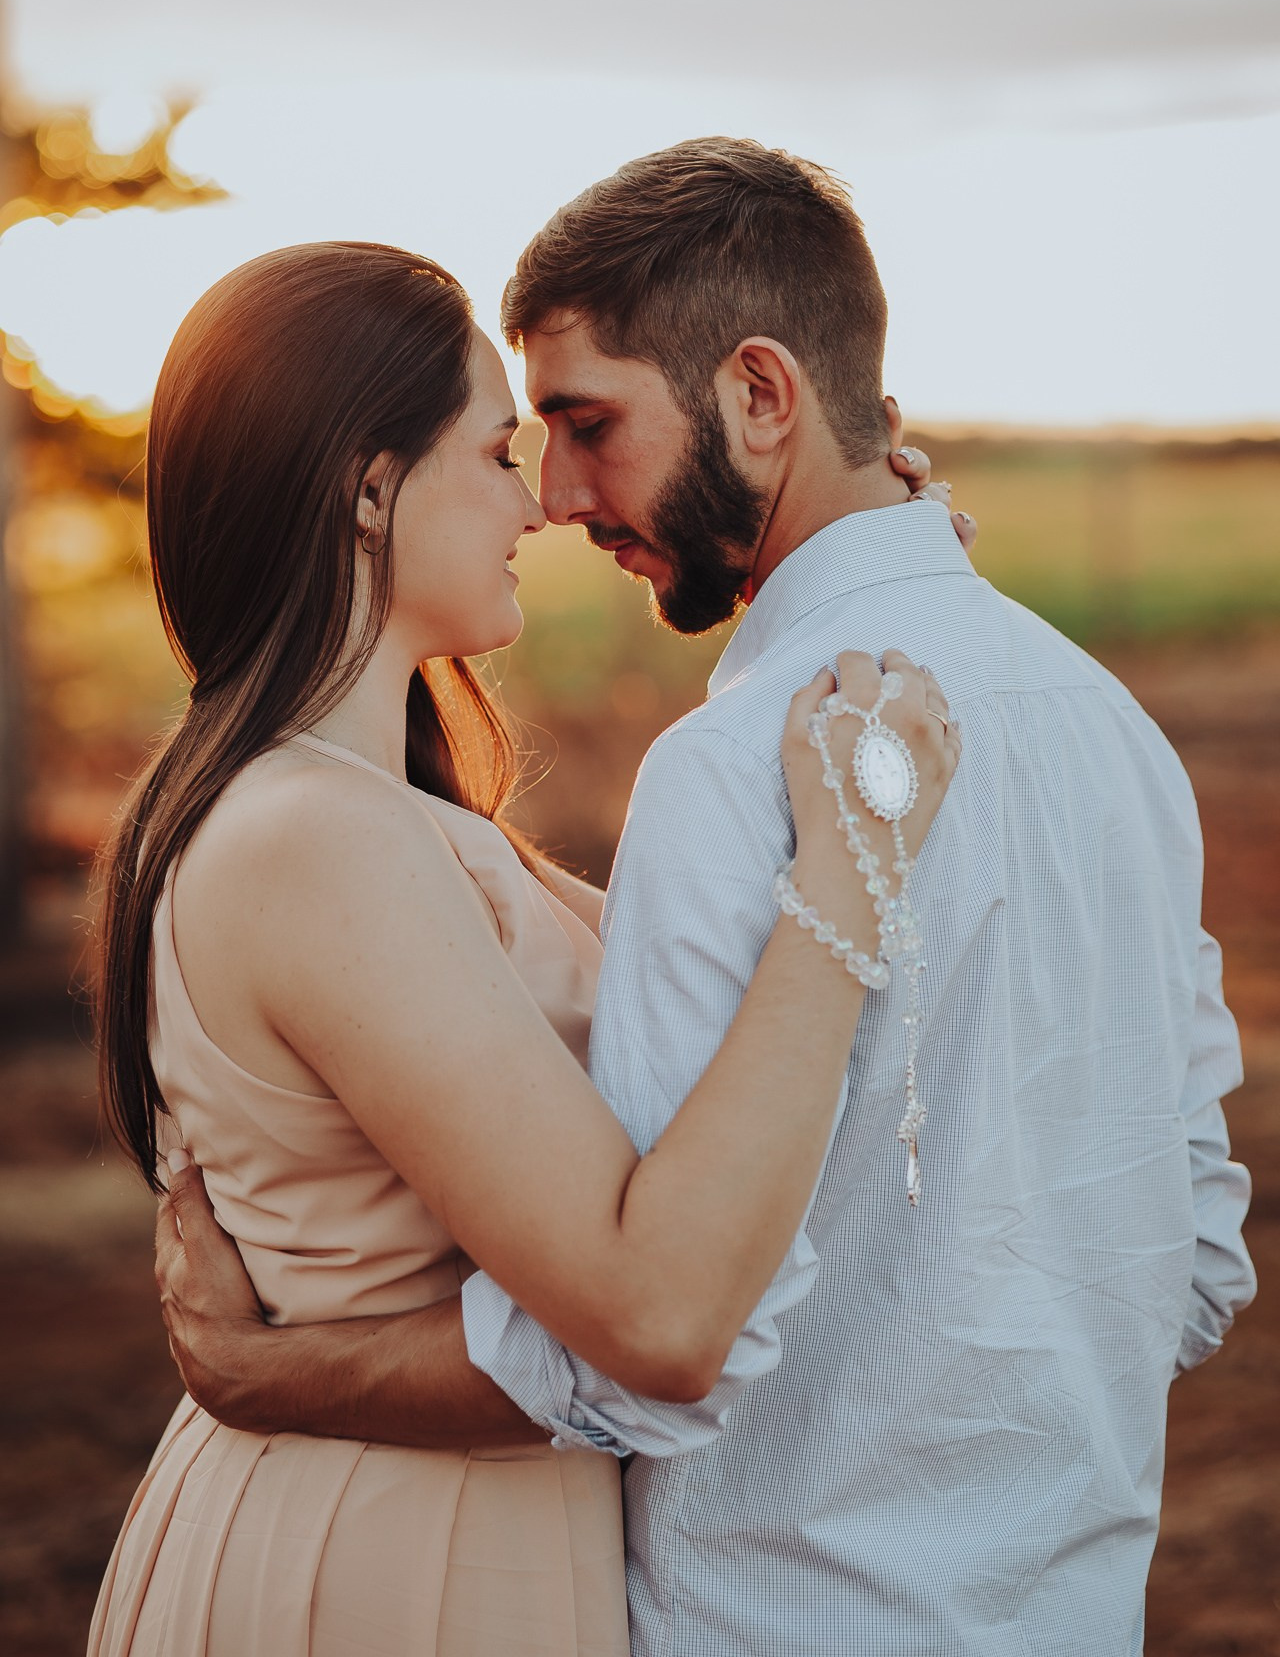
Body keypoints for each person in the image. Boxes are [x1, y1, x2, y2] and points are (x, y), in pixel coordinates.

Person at [157, 140, 1255, 1657]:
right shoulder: (1110, 732)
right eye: (522, 443)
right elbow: (1193, 1255)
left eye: (587, 424)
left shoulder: (741, 765)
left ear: (757, 393)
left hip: (771, 1620)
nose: (557, 492)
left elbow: (647, 1350)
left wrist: (263, 1372)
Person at [86, 236, 960, 1656]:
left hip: (455, 1524)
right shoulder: (314, 839)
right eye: (498, 453)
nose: (542, 502)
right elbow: (655, 1311)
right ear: (369, 491)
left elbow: (699, 1046)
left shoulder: (397, 821)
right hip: (390, 1565)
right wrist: (854, 873)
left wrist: (880, 560)